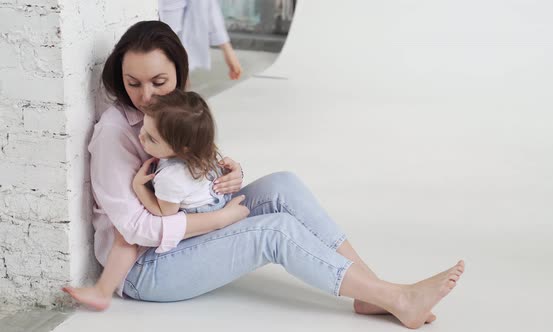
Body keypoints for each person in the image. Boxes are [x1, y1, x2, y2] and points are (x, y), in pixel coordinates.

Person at [62, 20, 465, 329]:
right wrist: (219, 219)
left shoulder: (176, 112)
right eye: (133, 84)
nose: (146, 95)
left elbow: (192, 168)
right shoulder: (115, 133)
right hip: (147, 268)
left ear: (179, 75)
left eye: (159, 82)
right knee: (272, 231)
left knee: (283, 185)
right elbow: (134, 230)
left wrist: (227, 175)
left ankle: (374, 291)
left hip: (184, 232)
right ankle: (396, 298)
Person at [63, 89, 242, 310]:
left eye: (151, 138)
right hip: (214, 200)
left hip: (202, 213)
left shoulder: (171, 177)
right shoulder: (196, 150)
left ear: (180, 148)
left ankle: (103, 291)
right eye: (143, 129)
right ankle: (102, 291)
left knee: (124, 234)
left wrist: (138, 188)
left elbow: (164, 212)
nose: (141, 137)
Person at [159, 0, 242, 80]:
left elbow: (206, 4)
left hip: (176, 40)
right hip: (154, 37)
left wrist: (227, 49)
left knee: (179, 83)